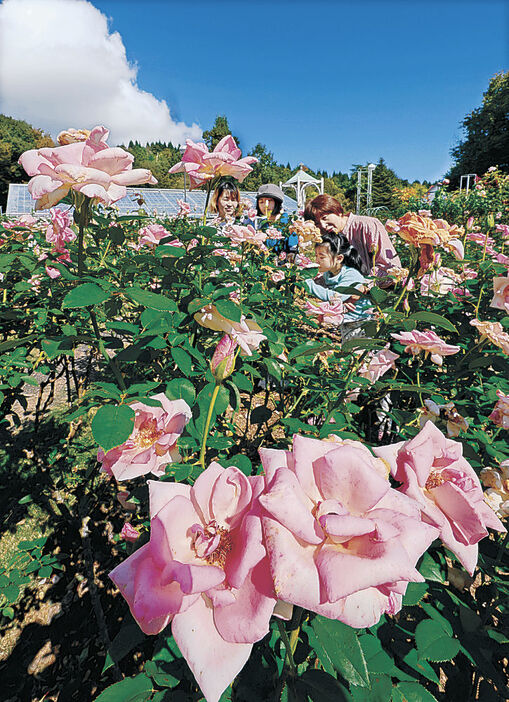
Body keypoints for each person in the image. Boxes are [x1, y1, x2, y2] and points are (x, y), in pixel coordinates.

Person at [303, 194, 401, 278]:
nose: (323, 226)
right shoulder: (329, 239)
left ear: (338, 211)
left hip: (375, 295)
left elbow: (390, 267)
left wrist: (364, 286)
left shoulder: (367, 225)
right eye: (317, 224)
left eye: (325, 218)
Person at [304, 233, 372, 341]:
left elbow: (335, 297)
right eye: (316, 256)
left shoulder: (351, 274)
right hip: (348, 322)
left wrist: (306, 282)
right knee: (350, 352)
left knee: (362, 354)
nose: (317, 261)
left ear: (339, 258)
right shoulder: (329, 273)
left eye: (322, 257)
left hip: (361, 323)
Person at [255, 184, 298, 256]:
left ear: (277, 202)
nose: (265, 205)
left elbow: (293, 250)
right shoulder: (262, 224)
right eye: (261, 202)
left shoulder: (288, 224)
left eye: (269, 201)